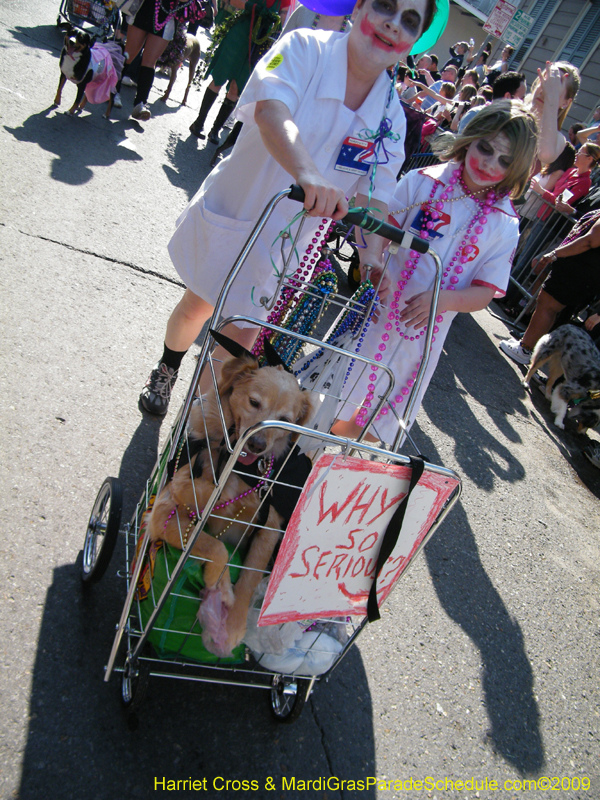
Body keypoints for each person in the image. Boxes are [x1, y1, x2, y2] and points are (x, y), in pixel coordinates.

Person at [140, 0, 440, 415]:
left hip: (285, 247)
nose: (392, 24)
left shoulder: (390, 117)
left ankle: (195, 431)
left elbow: (373, 197)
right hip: (241, 209)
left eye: (409, 21)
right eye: (385, 6)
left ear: (413, 42)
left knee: (237, 346)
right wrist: (308, 174)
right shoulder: (305, 48)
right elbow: (270, 110)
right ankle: (167, 369)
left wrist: (372, 257)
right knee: (198, 306)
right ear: (360, 6)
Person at [329, 100, 538, 442]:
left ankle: (335, 465)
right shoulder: (423, 182)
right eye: (485, 148)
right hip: (376, 314)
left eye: (505, 161)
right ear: (469, 138)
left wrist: (443, 300)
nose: (489, 163)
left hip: (421, 338)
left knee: (379, 421)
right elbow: (378, 227)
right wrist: (375, 263)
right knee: (337, 396)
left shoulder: (505, 224)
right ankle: (312, 455)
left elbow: (485, 292)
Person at [500, 209, 600, 365]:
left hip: (579, 271)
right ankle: (530, 347)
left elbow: (590, 241)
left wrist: (555, 253)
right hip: (580, 271)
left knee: (547, 306)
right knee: (549, 308)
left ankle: (525, 349)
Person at [188, 0, 289, 144]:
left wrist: (276, 22)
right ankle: (199, 123)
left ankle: (216, 129)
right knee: (219, 77)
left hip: (259, 42)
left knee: (237, 87)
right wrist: (251, 6)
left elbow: (284, 21)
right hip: (239, 35)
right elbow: (234, 1)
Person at [117, 0, 204, 120]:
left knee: (150, 61)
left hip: (167, 16)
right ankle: (113, 91)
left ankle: (140, 104)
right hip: (145, 8)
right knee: (129, 55)